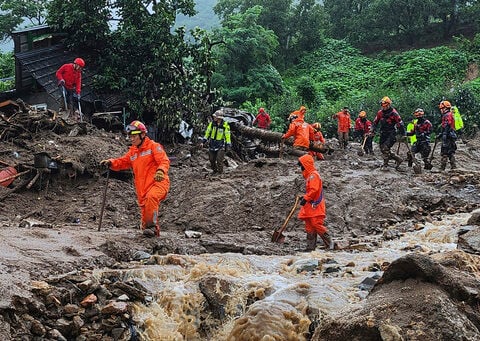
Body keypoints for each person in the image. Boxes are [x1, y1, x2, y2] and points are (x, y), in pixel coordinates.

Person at [100, 120, 170, 237]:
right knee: (145, 217)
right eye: (130, 137)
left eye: (134, 136)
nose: (131, 139)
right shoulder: (133, 152)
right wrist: (111, 162)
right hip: (142, 188)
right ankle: (152, 236)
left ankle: (152, 228)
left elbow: (164, 160)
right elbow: (123, 162)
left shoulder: (153, 147)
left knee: (151, 198)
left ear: (142, 135)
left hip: (158, 183)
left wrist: (161, 170)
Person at [297, 154, 333, 251]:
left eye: (301, 165)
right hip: (311, 206)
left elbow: (314, 190)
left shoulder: (313, 176)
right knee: (309, 226)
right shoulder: (310, 176)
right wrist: (304, 197)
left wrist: (306, 198)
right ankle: (310, 247)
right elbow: (311, 191)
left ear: (306, 165)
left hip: (315, 205)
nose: (301, 168)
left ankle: (330, 243)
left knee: (316, 224)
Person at [371, 96, 406, 170]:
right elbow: (375, 122)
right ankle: (398, 159)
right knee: (382, 148)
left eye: (385, 105)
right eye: (382, 105)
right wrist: (372, 129)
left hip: (391, 133)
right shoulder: (380, 113)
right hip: (383, 132)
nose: (384, 107)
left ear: (389, 105)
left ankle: (385, 164)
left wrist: (403, 134)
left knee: (385, 148)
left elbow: (400, 123)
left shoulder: (394, 113)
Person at [438, 101, 457, 170]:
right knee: (450, 153)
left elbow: (447, 125)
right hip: (450, 136)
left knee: (444, 153)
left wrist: (445, 134)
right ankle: (453, 168)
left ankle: (442, 168)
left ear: (445, 108)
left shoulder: (447, 115)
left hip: (448, 136)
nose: (441, 110)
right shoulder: (449, 114)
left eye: (441, 108)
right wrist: (441, 134)